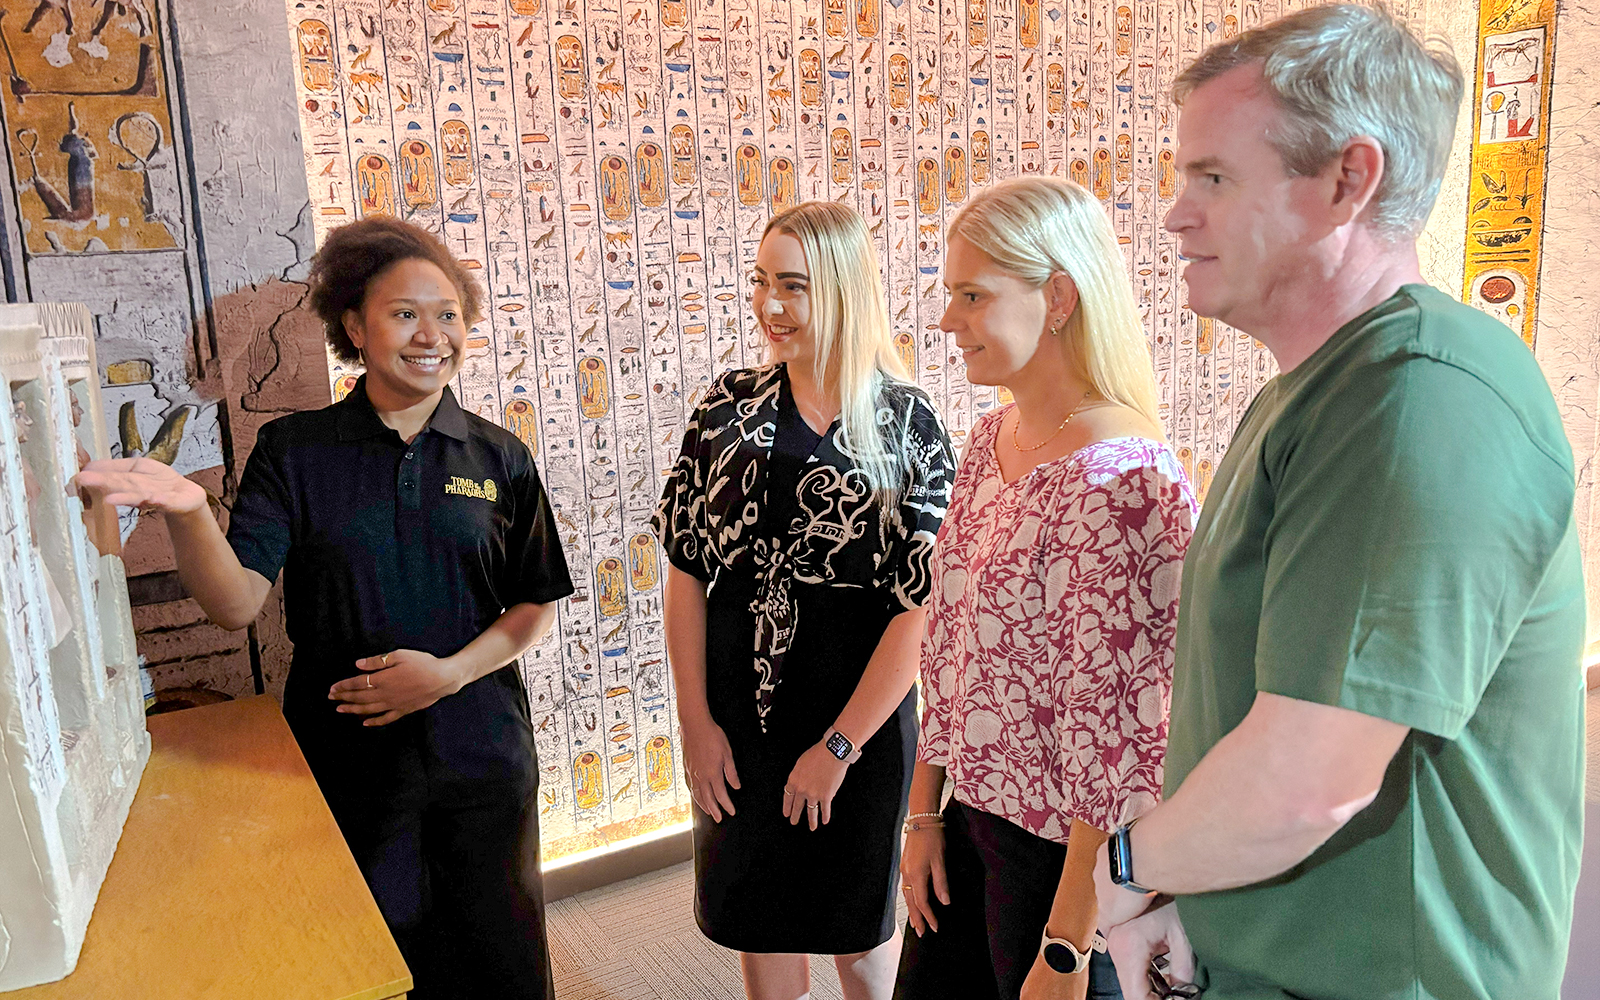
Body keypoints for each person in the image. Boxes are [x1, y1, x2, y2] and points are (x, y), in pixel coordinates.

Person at [1090, 8, 1586, 1000]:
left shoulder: (1418, 397)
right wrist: (1189, 893)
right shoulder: (1314, 390)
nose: (1173, 213)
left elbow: (1309, 781)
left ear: (1345, 181)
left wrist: (1124, 871)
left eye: (1213, 177)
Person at [75, 218, 573, 1000]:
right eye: (405, 313)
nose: (431, 335)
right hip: (348, 762)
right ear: (353, 324)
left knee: (498, 956)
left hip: (481, 751)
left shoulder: (497, 454)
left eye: (448, 315)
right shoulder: (296, 450)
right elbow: (236, 603)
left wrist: (445, 675)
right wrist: (185, 508)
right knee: (367, 961)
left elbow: (535, 603)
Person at [895, 175, 1197, 1000]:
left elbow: (1124, 746)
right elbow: (947, 644)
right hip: (969, 825)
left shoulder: (1126, 482)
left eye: (971, 295)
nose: (948, 320)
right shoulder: (992, 436)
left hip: (1067, 867)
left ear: (1058, 296)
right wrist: (925, 815)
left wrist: (1066, 947)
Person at [654, 201, 956, 1000]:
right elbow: (685, 567)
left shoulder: (910, 423)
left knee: (859, 931)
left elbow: (918, 608)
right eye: (761, 282)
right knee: (758, 914)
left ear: (845, 292)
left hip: (857, 713)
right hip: (736, 712)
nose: (770, 307)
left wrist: (838, 750)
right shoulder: (726, 407)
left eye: (794, 286)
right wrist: (693, 721)